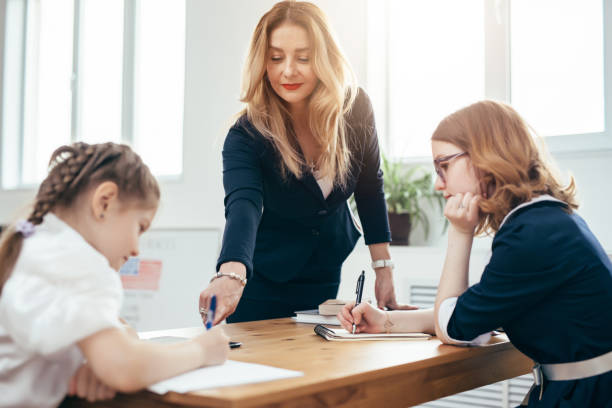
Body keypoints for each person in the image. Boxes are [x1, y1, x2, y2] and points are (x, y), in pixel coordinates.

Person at [338, 101, 612, 407]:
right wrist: (385, 322)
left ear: (485, 156)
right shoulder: (544, 221)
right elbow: (478, 318)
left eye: (444, 166)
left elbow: (456, 327)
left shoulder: (532, 235)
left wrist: (460, 232)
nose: (438, 184)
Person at [198, 0, 414, 324]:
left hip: (325, 270)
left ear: (325, 58)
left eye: (303, 57)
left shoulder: (355, 109)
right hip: (262, 282)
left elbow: (370, 187)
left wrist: (383, 269)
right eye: (276, 58)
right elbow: (243, 205)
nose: (288, 70)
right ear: (262, 62)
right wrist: (231, 273)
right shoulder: (246, 135)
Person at [0, 142, 229, 408]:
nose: (135, 249)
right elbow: (123, 367)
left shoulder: (38, 245)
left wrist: (97, 363)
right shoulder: (77, 261)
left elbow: (119, 336)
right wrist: (202, 351)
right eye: (139, 227)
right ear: (104, 202)